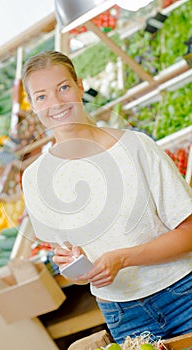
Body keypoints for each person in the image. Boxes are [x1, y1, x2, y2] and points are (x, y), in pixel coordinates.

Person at [21, 50, 192, 344]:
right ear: (33, 106)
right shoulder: (35, 179)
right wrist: (73, 266)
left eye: (63, 88)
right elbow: (68, 263)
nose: (56, 103)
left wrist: (123, 258)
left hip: (181, 293)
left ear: (79, 86)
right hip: (121, 314)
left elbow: (188, 233)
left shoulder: (137, 147)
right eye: (42, 96)